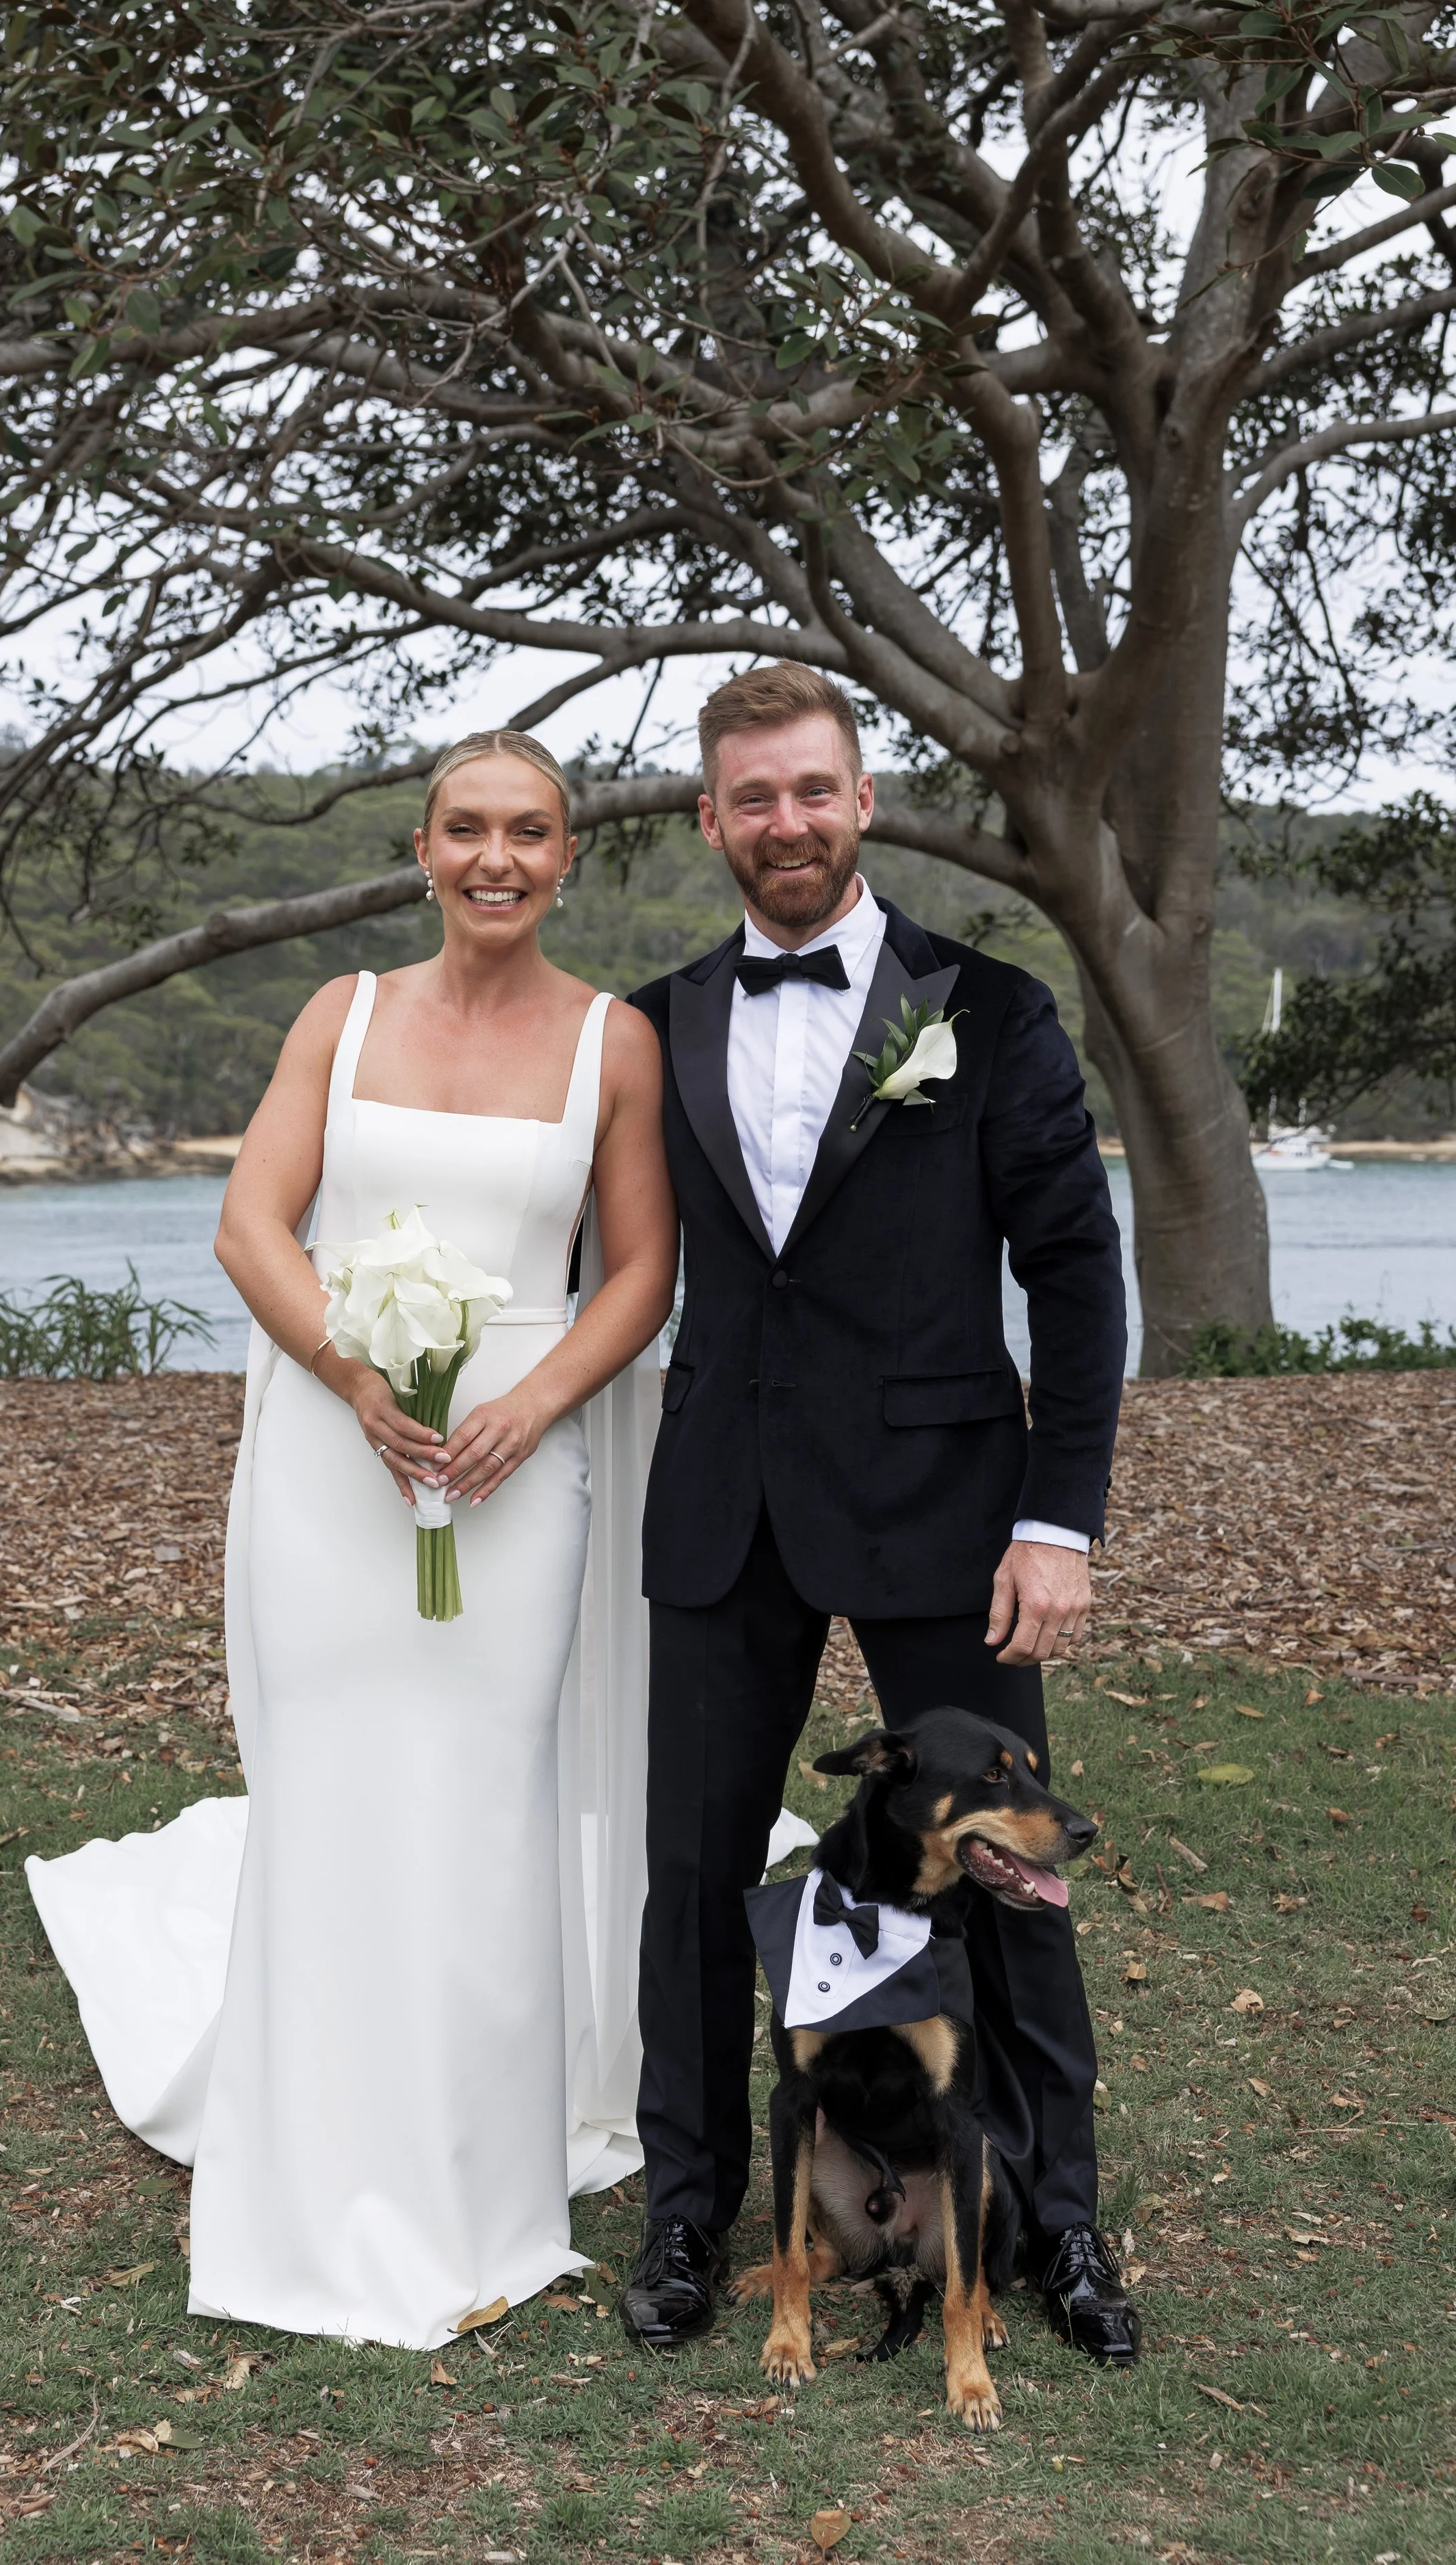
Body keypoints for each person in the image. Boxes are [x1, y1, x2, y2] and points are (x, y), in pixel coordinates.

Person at [27, 730, 676, 2347]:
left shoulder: (617, 1044)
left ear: (568, 854)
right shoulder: (346, 1013)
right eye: (467, 828)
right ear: (421, 844)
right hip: (335, 1459)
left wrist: (530, 1408)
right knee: (331, 1788)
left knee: (483, 1795)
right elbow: (254, 1223)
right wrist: (349, 1374)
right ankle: (314, 2161)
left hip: (518, 1472)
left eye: (529, 832)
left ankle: (473, 2170)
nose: (496, 859)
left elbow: (640, 1273)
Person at [620, 664, 1138, 2367]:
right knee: (695, 1879)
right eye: (750, 798)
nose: (784, 823)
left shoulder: (989, 1011)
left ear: (863, 799)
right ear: (710, 821)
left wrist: (1056, 1522)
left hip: (943, 1509)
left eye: (812, 790)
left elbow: (1072, 1274)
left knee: (1001, 1886)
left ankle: (1057, 2224)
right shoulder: (655, 1020)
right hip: (722, 1509)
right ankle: (688, 2212)